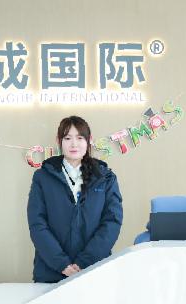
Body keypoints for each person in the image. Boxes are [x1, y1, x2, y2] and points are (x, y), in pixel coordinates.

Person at [27, 115, 123, 283]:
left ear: (89, 140)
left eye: (79, 138)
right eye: (67, 138)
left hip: (95, 270)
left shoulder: (106, 178)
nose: (74, 144)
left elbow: (111, 222)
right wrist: (61, 263)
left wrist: (83, 262)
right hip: (51, 272)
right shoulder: (42, 177)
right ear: (58, 140)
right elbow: (37, 224)